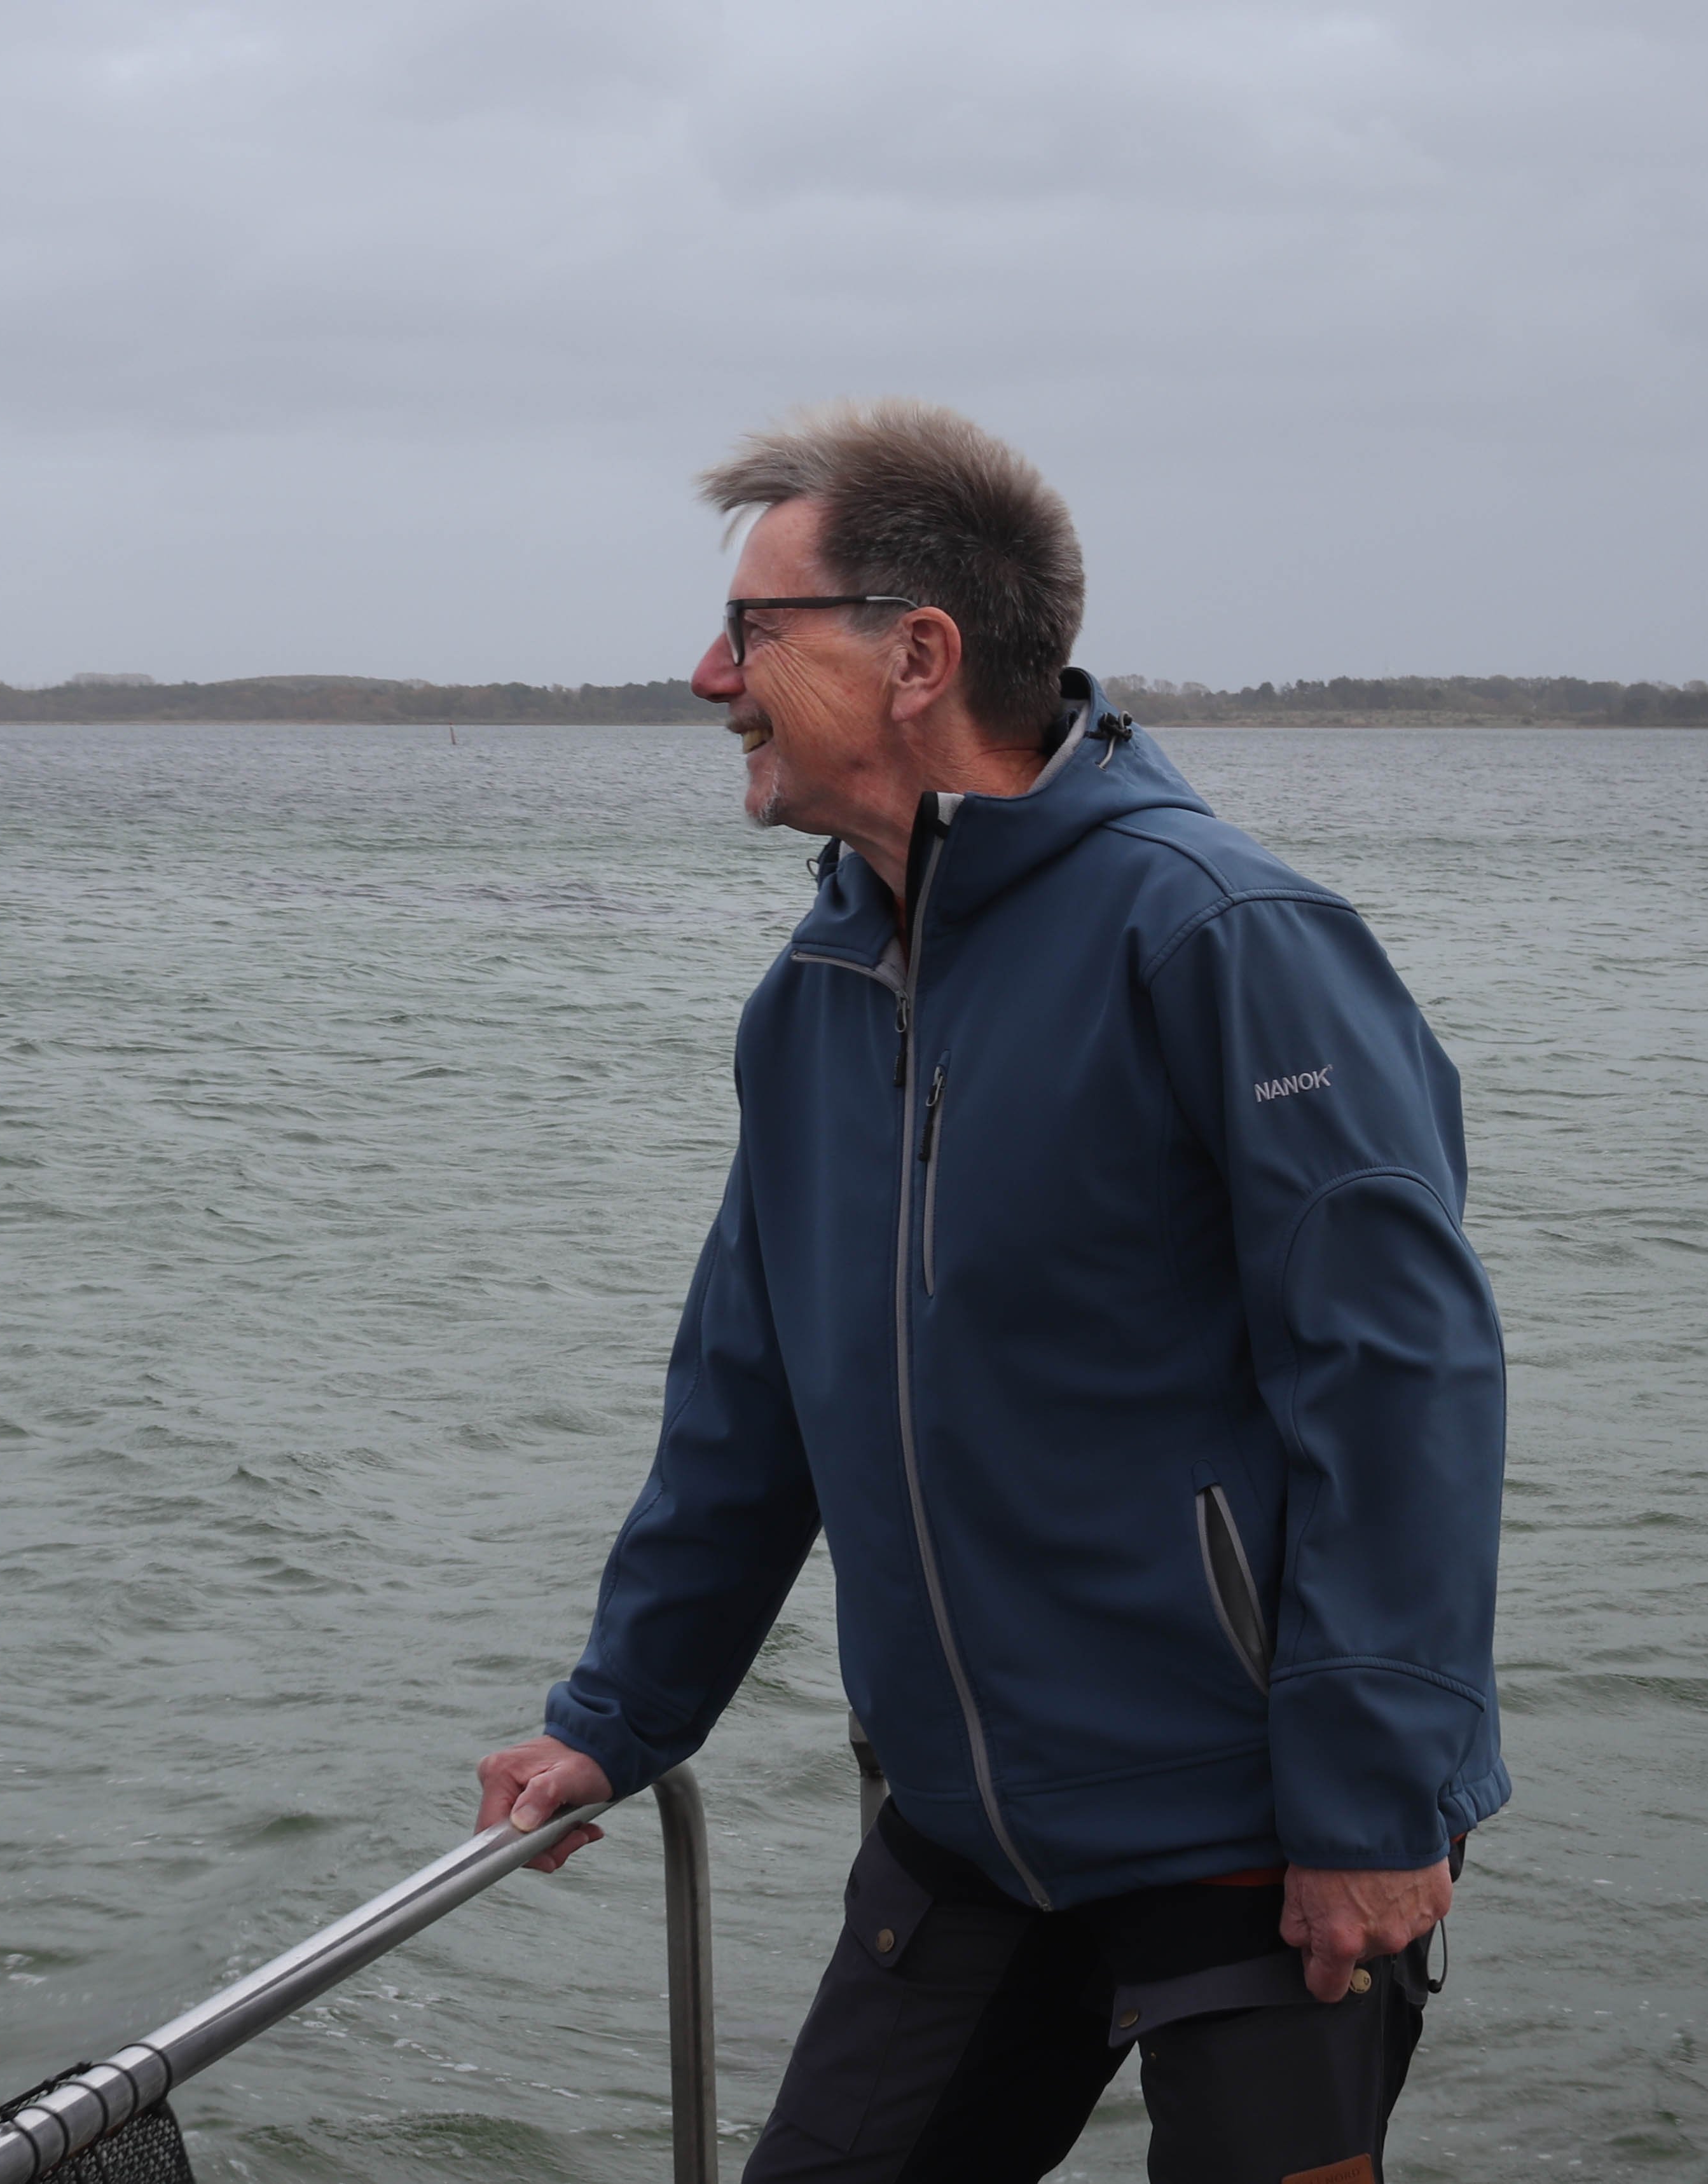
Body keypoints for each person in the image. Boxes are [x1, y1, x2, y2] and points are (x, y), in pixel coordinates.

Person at [471, 401, 1508, 2184]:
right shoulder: (816, 990)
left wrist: (1371, 1801)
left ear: (916, 656)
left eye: (751, 632)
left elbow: (1401, 1385)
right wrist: (612, 1718)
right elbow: (747, 1402)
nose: (709, 675)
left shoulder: (1215, 936)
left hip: (1251, 1834)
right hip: (965, 1833)